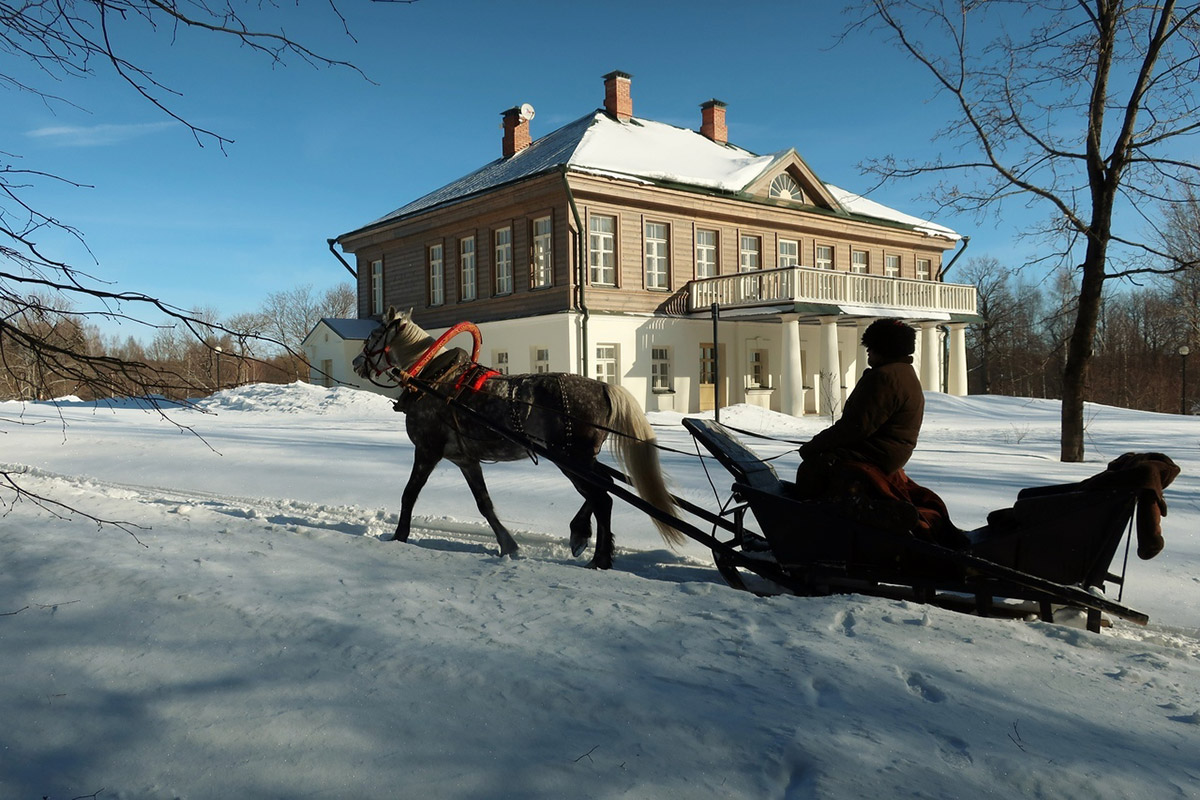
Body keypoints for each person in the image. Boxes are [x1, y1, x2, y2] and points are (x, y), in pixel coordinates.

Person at [794, 319, 924, 500]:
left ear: (884, 349)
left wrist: (815, 445)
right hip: (889, 452)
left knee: (813, 467)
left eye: (871, 347)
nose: (868, 352)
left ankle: (811, 518)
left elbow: (856, 427)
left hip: (876, 454)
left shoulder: (884, 378)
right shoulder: (904, 373)